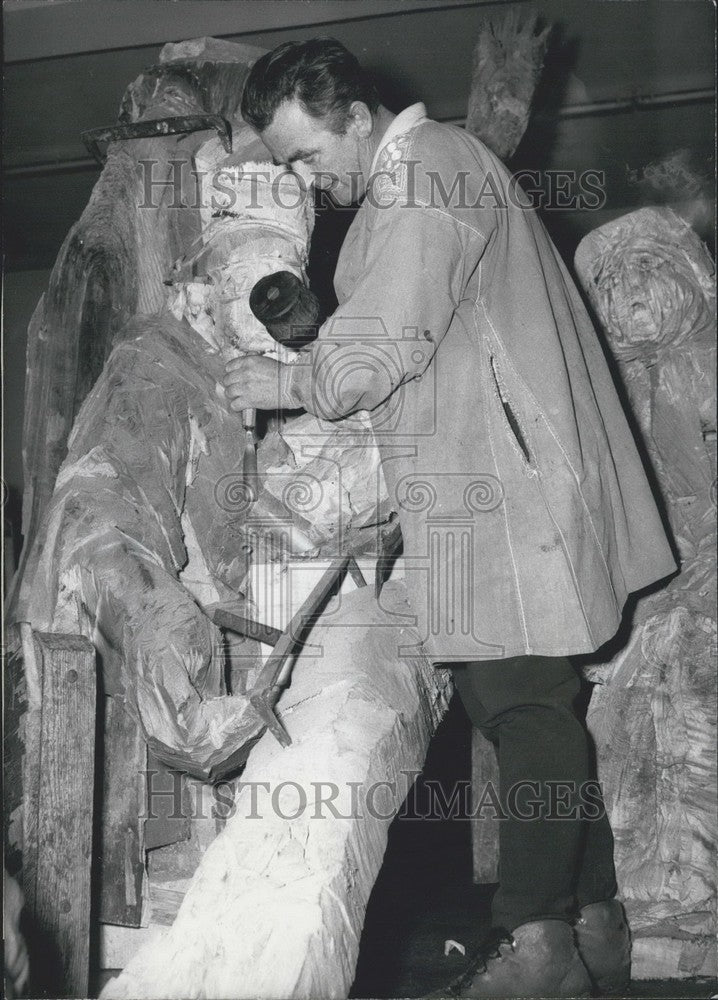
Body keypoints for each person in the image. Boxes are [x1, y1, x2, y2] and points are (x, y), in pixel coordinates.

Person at [224, 38, 676, 998]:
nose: (309, 178)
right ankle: (593, 921)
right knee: (528, 701)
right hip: (480, 481)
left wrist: (278, 378)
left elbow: (379, 351)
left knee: (520, 704)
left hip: (503, 489)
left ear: (355, 114)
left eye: (308, 155)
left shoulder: (427, 173)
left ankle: (538, 945)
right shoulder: (418, 184)